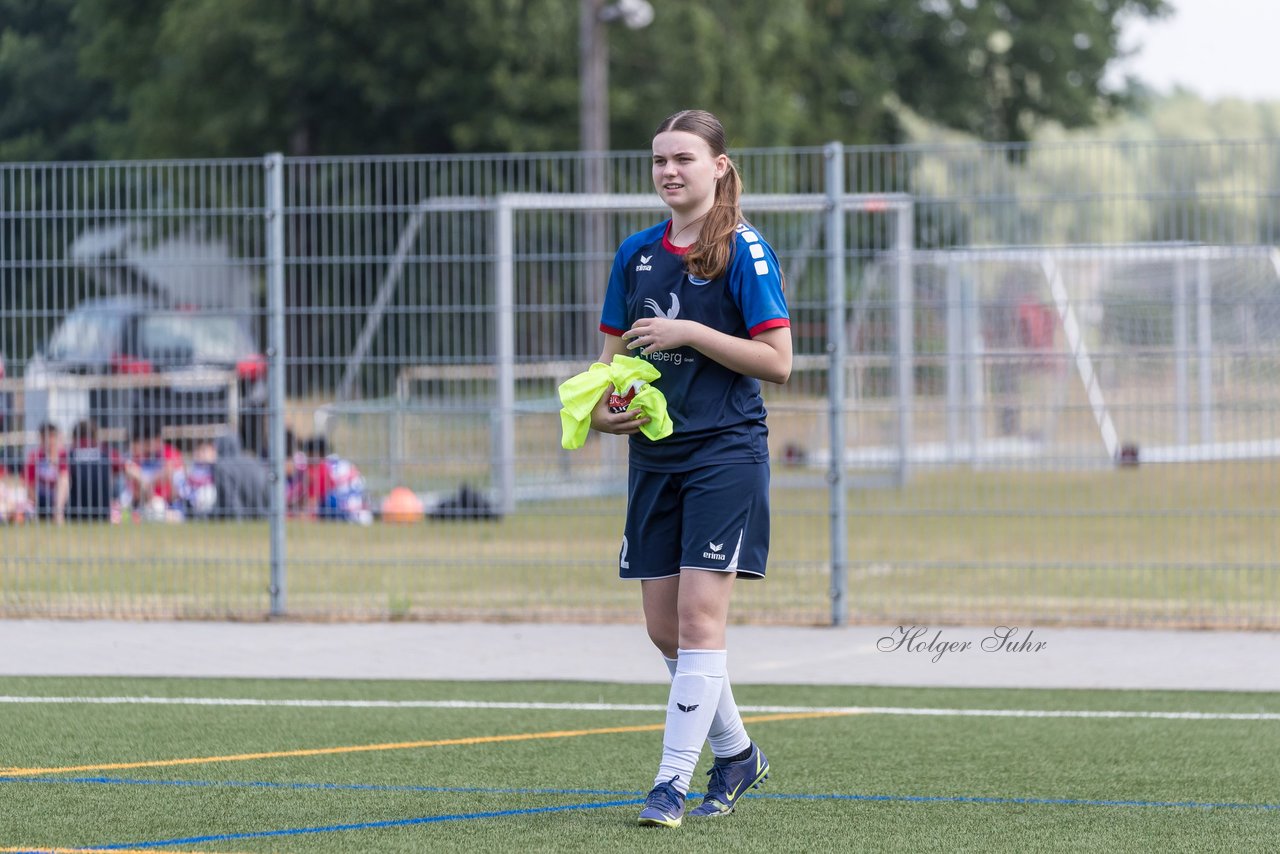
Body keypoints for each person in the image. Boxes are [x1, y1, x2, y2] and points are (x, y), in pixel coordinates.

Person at [589, 109, 791, 827]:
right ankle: (737, 753)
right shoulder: (637, 253)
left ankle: (670, 783)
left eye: (684, 158)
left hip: (725, 453)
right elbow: (609, 368)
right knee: (663, 627)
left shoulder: (743, 249)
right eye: (659, 160)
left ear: (719, 167)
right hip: (656, 459)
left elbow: (779, 362)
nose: (670, 171)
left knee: (701, 618)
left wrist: (691, 333)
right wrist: (601, 412)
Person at [66, 418, 125, 522]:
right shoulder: (106, 452)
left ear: (75, 437)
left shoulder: (69, 455)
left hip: (74, 512)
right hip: (102, 512)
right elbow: (129, 468)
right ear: (95, 435)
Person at [23, 421, 69, 523]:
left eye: (52, 437)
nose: (49, 441)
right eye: (45, 437)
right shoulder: (34, 456)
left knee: (64, 479)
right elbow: (29, 483)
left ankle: (58, 513)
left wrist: (55, 462)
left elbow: (65, 479)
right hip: (40, 498)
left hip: (60, 500)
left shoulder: (63, 455)